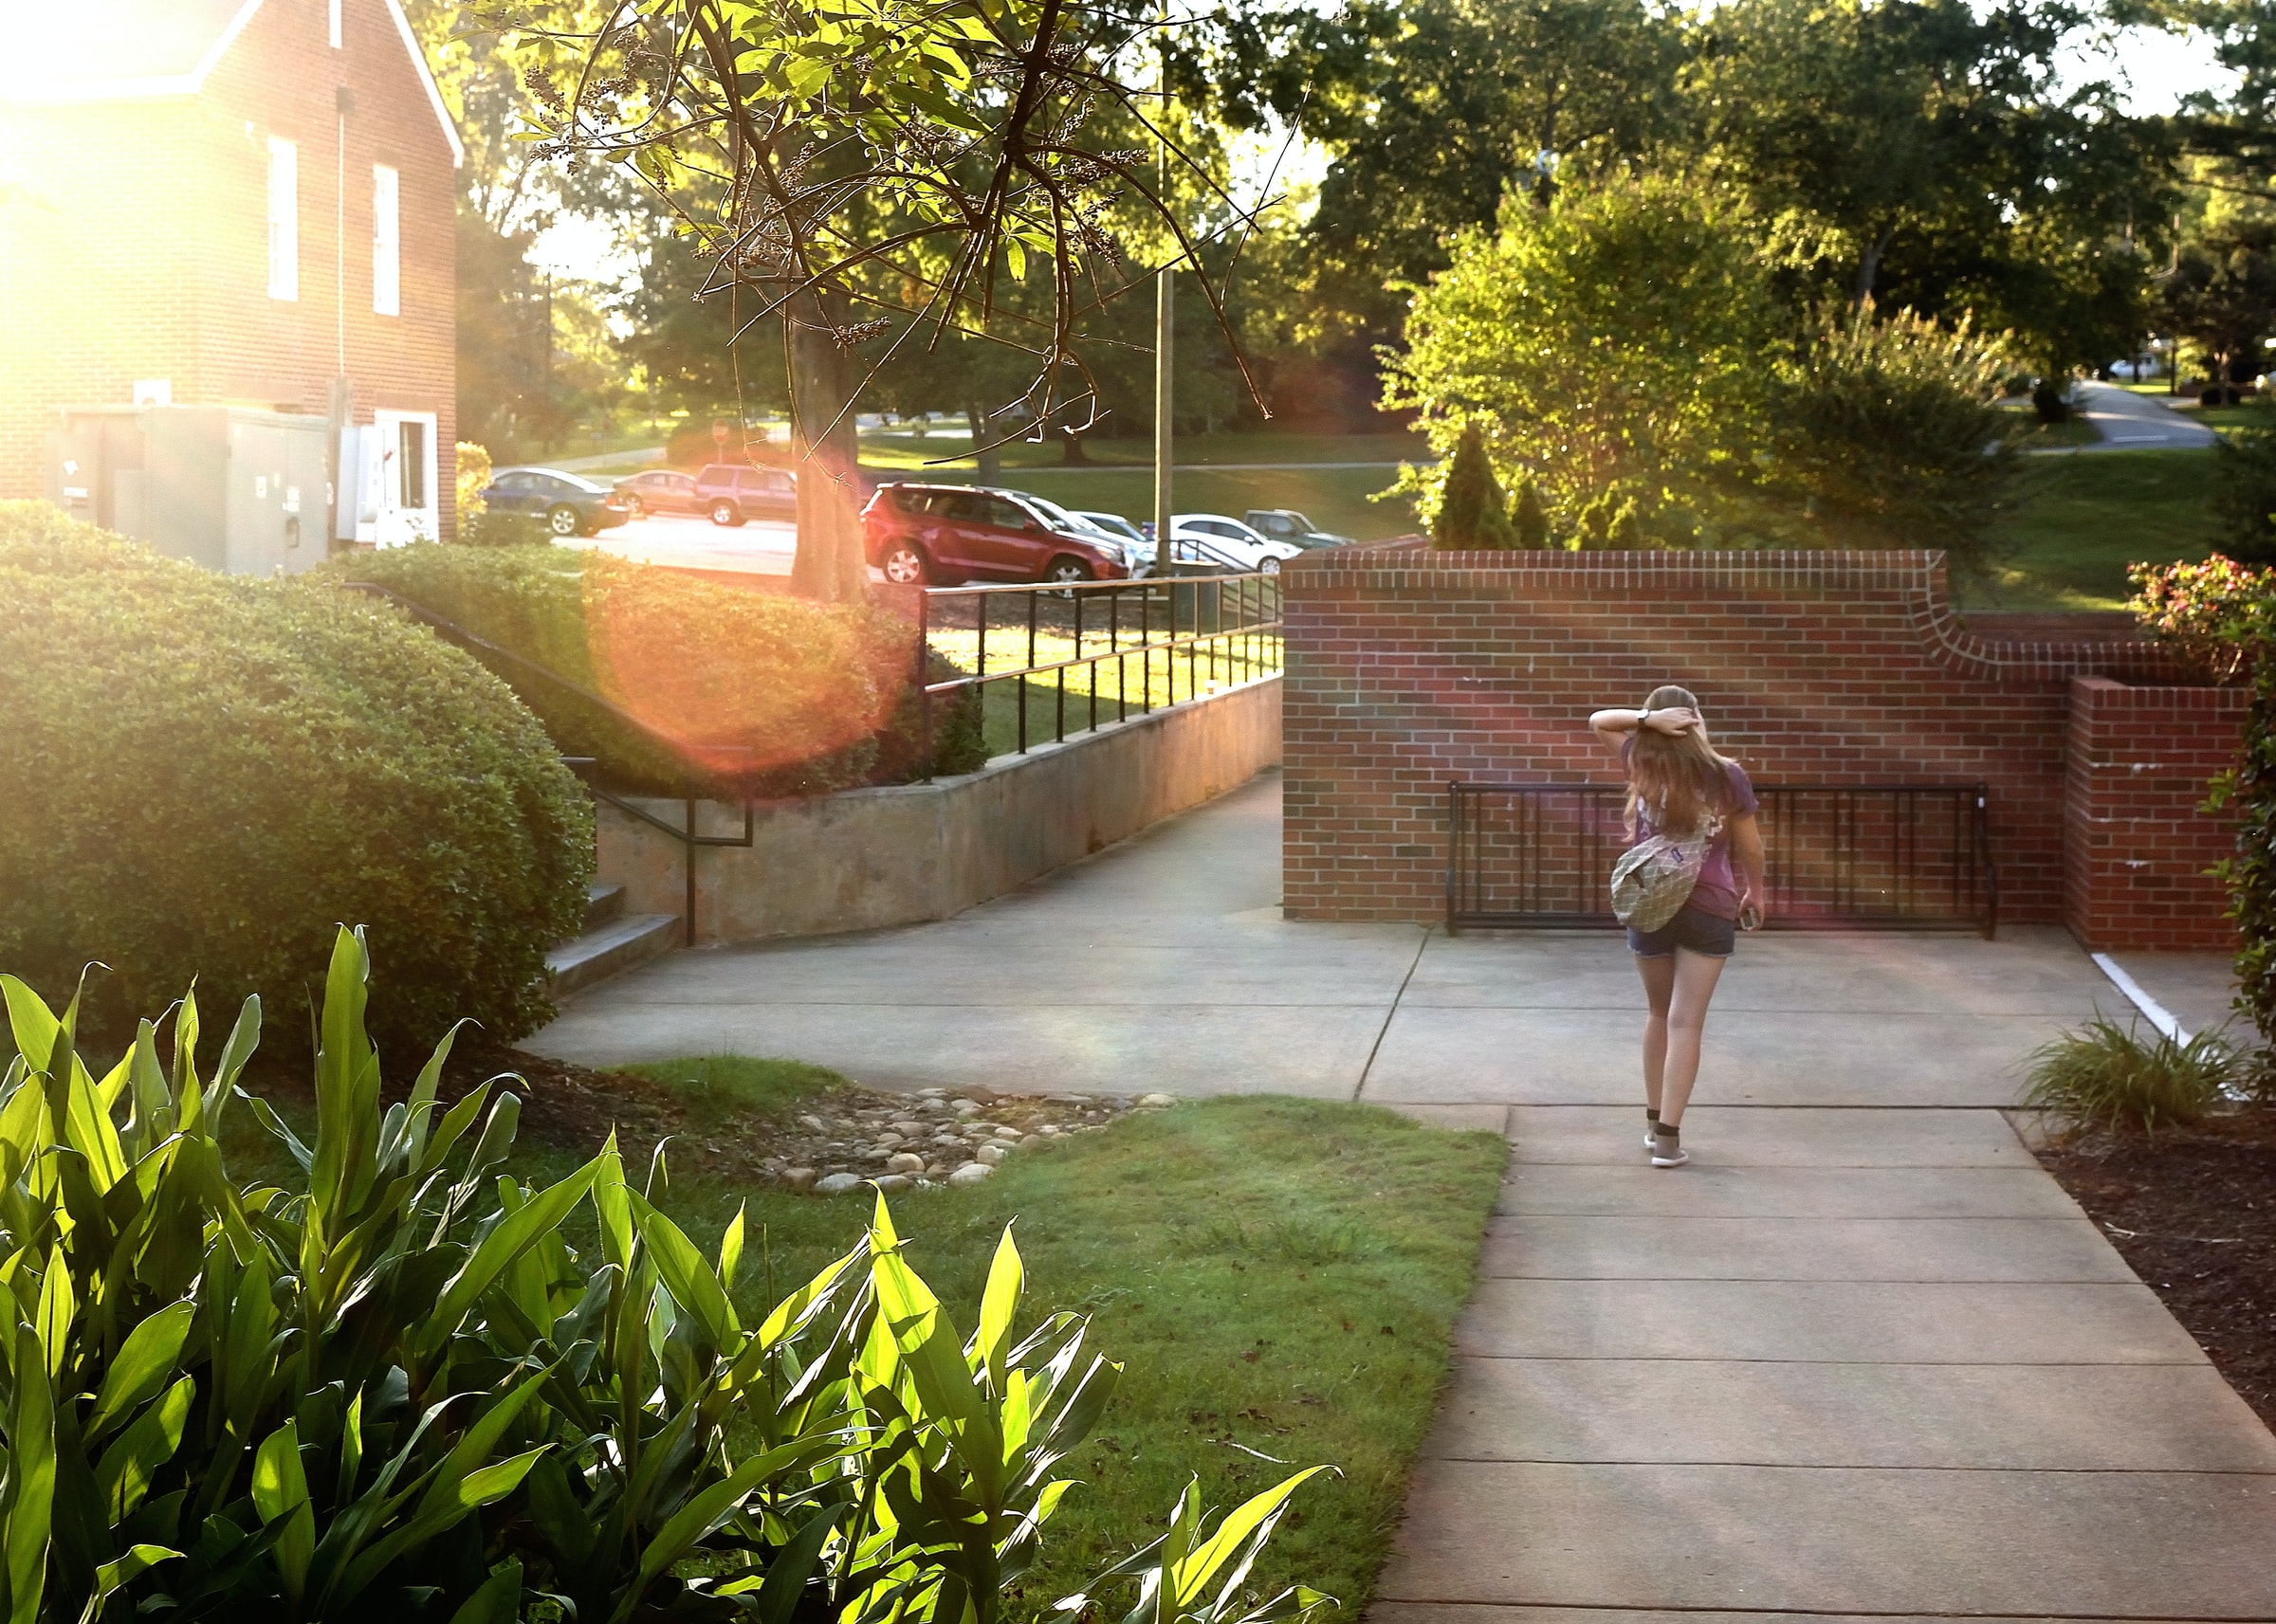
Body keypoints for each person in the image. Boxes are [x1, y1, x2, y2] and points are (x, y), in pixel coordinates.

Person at [1588, 685, 1765, 1168]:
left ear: (1661, 720)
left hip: (1650, 906)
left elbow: (1599, 719)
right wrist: (1756, 892)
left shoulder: (1642, 763)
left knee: (1658, 1014)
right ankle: (1668, 1138)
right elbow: (1750, 847)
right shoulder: (1727, 775)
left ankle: (1651, 1123)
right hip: (1710, 907)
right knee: (1687, 1022)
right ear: (1696, 718)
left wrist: (1646, 720)